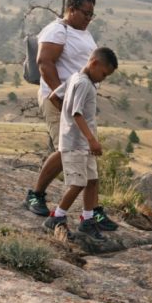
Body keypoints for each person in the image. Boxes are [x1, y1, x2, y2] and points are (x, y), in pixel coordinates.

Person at [25, 0, 120, 233]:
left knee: (83, 154)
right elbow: (45, 63)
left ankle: (92, 212)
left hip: (77, 98)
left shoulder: (84, 33)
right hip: (60, 98)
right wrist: (60, 97)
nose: (89, 18)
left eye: (92, 14)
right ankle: (35, 195)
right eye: (86, 13)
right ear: (72, 9)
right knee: (65, 149)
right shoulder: (57, 30)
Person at [42, 47, 119, 239]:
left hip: (82, 143)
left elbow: (53, 97)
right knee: (78, 183)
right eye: (103, 73)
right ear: (94, 63)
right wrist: (91, 139)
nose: (103, 78)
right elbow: (77, 113)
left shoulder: (74, 78)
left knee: (92, 181)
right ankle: (56, 216)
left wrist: (66, 117)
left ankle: (87, 219)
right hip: (77, 143)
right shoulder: (84, 83)